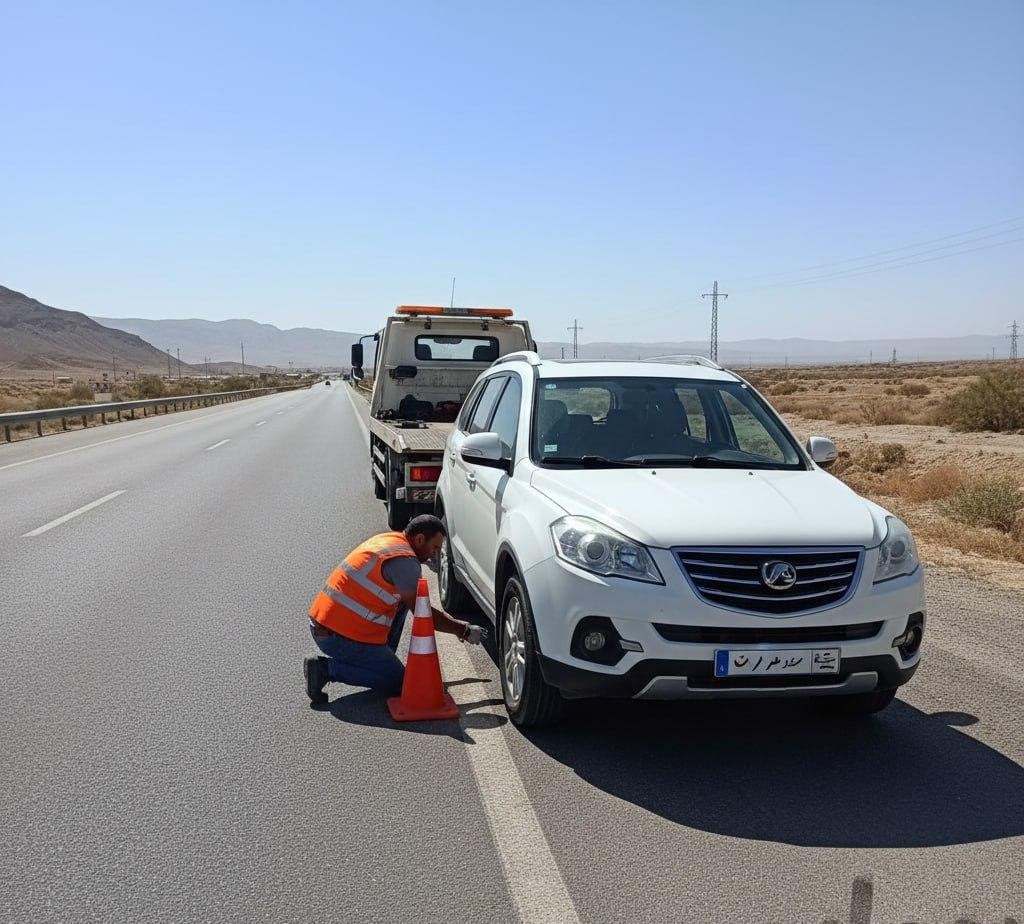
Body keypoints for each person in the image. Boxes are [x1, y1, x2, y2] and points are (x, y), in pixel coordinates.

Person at [303, 515, 485, 705]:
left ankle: (382, 658)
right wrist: (462, 630)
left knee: (404, 599)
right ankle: (325, 669)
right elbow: (423, 613)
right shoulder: (405, 562)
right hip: (336, 637)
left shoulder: (392, 541)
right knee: (402, 683)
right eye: (435, 547)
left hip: (328, 624)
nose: (435, 554)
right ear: (420, 539)